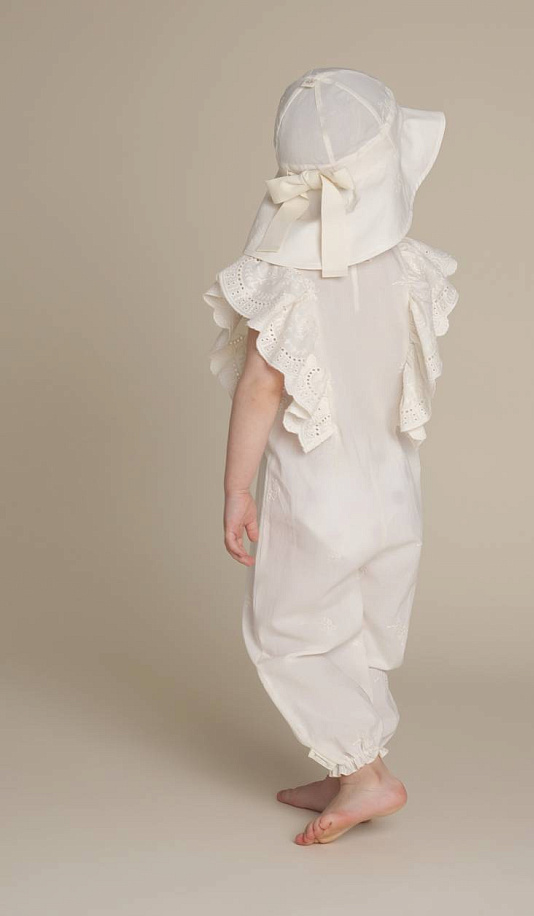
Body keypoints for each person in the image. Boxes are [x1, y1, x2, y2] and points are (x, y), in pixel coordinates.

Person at [203, 67, 458, 845]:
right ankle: (350, 765)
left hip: (318, 499)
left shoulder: (287, 280)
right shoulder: (405, 263)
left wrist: (237, 489)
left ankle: (366, 773)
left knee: (288, 633)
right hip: (393, 492)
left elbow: (261, 388)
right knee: (358, 630)